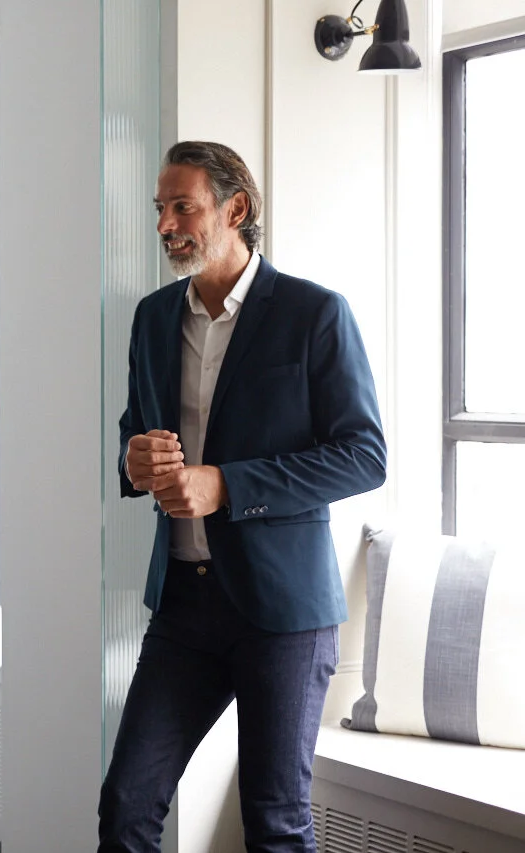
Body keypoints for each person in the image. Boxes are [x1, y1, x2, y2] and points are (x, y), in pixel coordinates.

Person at [98, 141, 387, 852]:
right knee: (127, 803)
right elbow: (139, 433)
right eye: (160, 209)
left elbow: (364, 455)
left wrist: (226, 484)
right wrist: (134, 461)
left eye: (183, 206)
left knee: (276, 822)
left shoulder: (314, 313)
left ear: (236, 208)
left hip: (283, 614)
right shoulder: (154, 317)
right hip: (184, 606)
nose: (166, 224)